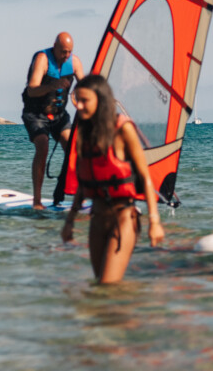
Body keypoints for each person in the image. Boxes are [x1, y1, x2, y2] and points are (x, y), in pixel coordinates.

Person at [61, 74, 164, 283]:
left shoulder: (122, 129)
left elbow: (145, 176)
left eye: (84, 101)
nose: (79, 106)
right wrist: (69, 221)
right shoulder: (85, 131)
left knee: (107, 286)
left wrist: (155, 221)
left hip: (123, 219)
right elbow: (84, 183)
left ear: (100, 100)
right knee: (100, 286)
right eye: (76, 101)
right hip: (97, 219)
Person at [22, 32, 85, 209]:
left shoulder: (74, 62)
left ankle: (78, 195)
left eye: (69, 52)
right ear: (55, 46)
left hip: (59, 115)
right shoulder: (43, 59)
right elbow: (32, 90)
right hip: (35, 114)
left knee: (73, 146)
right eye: (63, 51)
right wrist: (52, 86)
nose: (66, 56)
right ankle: (37, 201)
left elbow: (86, 86)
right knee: (42, 145)